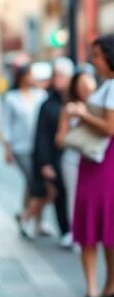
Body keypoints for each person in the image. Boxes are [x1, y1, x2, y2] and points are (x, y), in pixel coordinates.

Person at [61, 34, 114, 297]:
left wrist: (82, 113)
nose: (93, 60)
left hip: (101, 164)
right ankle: (105, 290)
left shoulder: (111, 87)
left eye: (96, 55)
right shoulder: (107, 86)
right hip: (99, 162)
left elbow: (110, 128)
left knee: (94, 228)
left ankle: (95, 292)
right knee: (104, 229)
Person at [31, 57, 75, 247]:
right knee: (59, 194)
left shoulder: (78, 99)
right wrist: (45, 163)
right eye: (55, 74)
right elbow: (41, 136)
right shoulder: (47, 103)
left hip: (76, 155)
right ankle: (65, 230)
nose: (57, 78)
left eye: (61, 75)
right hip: (55, 157)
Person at [2, 63, 48, 238]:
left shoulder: (41, 95)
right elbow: (6, 124)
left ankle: (36, 221)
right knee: (33, 182)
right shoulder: (11, 98)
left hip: (40, 147)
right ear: (22, 77)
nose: (33, 78)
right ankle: (27, 218)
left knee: (34, 183)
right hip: (20, 147)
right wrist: (7, 149)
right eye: (30, 74)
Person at [56, 68, 98, 249]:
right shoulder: (69, 108)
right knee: (74, 198)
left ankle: (94, 233)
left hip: (96, 159)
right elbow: (59, 139)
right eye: (81, 84)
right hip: (73, 159)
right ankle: (77, 235)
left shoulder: (101, 108)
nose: (86, 88)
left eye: (89, 83)